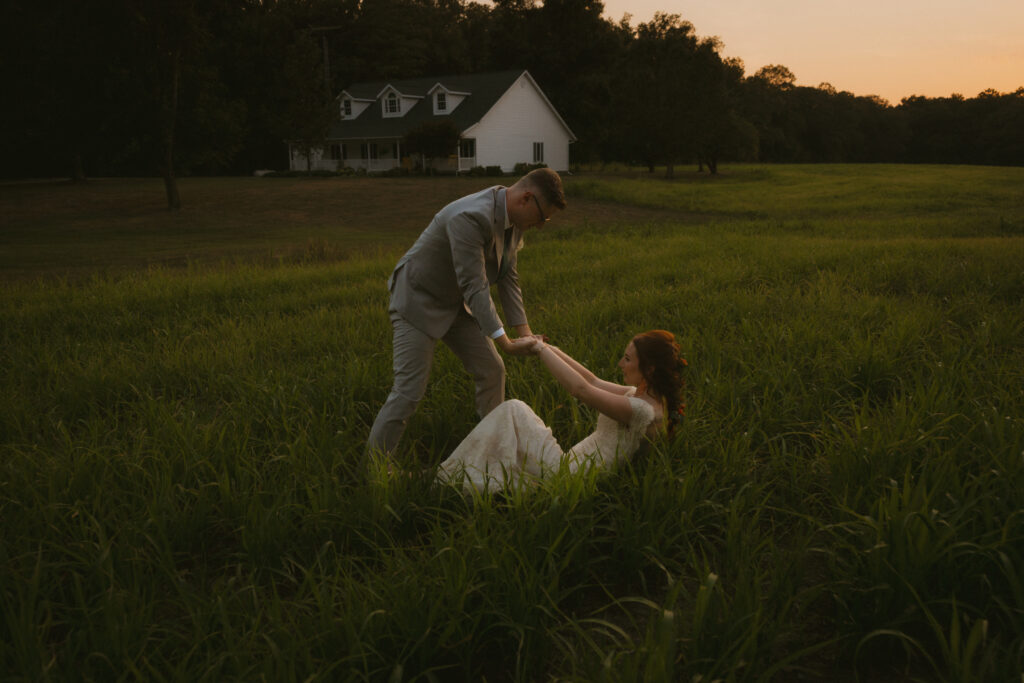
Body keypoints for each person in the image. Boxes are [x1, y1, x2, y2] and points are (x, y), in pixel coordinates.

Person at [366, 167, 566, 461]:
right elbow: (475, 286)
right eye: (542, 218)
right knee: (408, 391)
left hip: (455, 303)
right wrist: (507, 344)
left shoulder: (514, 221)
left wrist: (526, 335)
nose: (540, 226)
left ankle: (493, 455)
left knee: (492, 370)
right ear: (526, 198)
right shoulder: (471, 217)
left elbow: (508, 276)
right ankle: (373, 470)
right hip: (418, 299)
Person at [437, 330, 687, 493]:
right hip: (570, 467)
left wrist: (540, 351)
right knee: (511, 420)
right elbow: (593, 380)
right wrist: (548, 346)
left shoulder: (641, 410)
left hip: (568, 478)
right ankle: (454, 469)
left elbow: (582, 390)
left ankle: (445, 476)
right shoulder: (646, 399)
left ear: (650, 369)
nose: (621, 364)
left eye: (628, 359)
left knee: (514, 409)